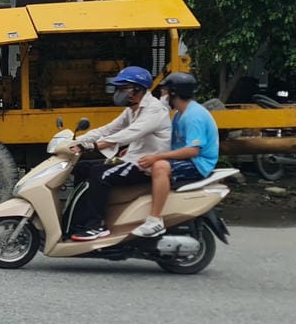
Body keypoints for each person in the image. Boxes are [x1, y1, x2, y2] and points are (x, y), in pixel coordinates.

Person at [67, 65, 172, 241]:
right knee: (82, 168)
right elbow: (108, 129)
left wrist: (93, 146)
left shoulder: (154, 110)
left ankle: (96, 226)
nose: (119, 92)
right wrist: (76, 140)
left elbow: (128, 134)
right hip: (131, 159)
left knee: (100, 175)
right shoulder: (132, 110)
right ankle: (78, 219)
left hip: (144, 164)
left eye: (124, 88)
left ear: (138, 89)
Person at [129, 72, 220, 238]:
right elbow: (168, 143)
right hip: (187, 159)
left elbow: (192, 150)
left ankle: (155, 220)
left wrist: (157, 157)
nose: (162, 95)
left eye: (164, 91)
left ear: (173, 92)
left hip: (198, 163)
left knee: (160, 167)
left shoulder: (194, 116)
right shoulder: (180, 114)